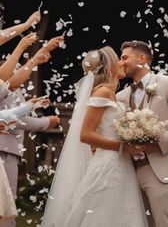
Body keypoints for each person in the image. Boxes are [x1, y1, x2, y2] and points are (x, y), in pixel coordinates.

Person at [41, 46, 149, 227]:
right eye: (118, 59)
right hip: (107, 165)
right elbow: (85, 135)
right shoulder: (102, 92)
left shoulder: (114, 95)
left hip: (122, 164)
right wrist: (122, 146)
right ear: (108, 67)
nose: (122, 63)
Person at [116, 40, 168, 227]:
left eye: (125, 57)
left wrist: (160, 143)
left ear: (142, 58)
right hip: (130, 171)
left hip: (162, 170)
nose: (121, 62)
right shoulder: (121, 95)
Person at [0, 35, 63, 227]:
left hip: (6, 149)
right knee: (5, 207)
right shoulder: (7, 89)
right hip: (4, 150)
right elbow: (16, 119)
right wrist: (45, 122)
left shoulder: (9, 89)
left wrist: (38, 55)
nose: (21, 72)